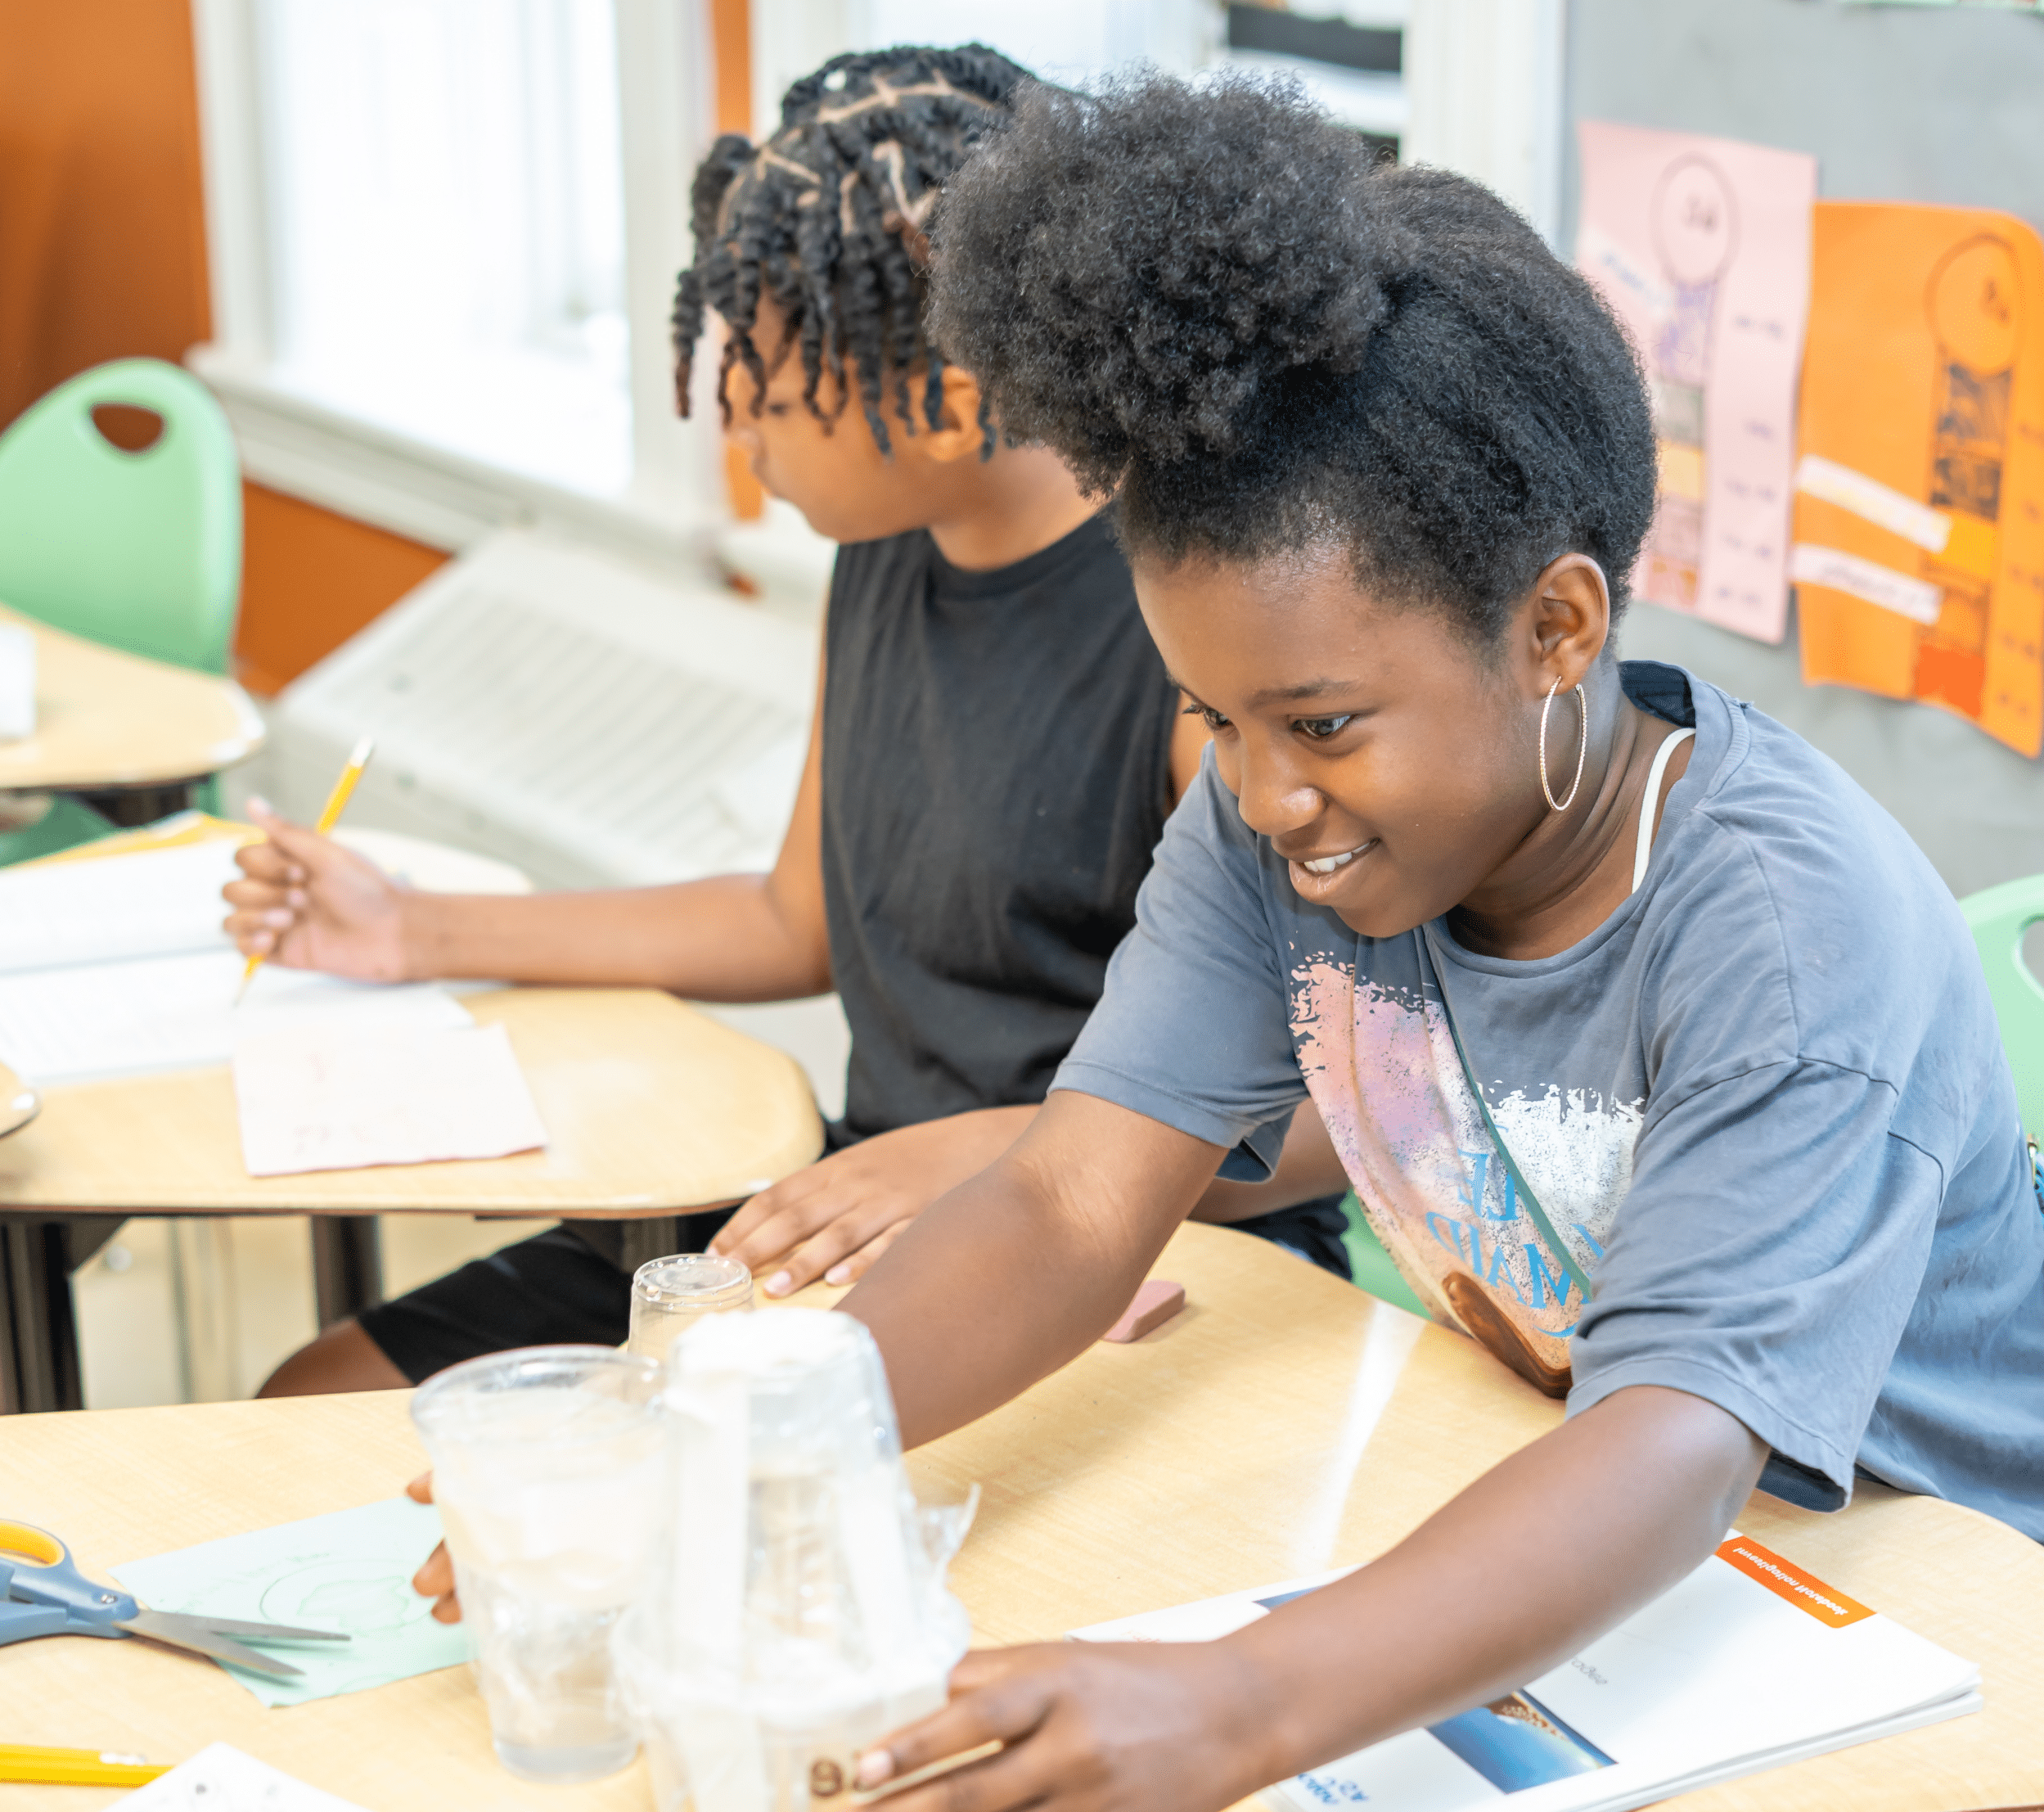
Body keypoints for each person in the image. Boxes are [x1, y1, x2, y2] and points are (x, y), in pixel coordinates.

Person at [781, 74, 2044, 1812]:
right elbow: (1071, 1200)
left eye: (1316, 722)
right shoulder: (1287, 821)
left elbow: (1673, 1441)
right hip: (1609, 1550)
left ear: (1550, 628)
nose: (1262, 794)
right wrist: (747, 1456)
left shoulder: (1786, 928)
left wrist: (1230, 1710)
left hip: (1938, 1610)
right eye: (1214, 720)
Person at [225, 46, 1352, 1399]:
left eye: (762, 395)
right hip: (869, 1194)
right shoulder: (889, 543)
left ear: (938, 404)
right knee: (322, 1392)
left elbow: (1337, 1111)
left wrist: (999, 1152)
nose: (740, 439)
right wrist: (414, 927)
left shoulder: (1192, 628)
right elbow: (793, 917)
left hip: (1148, 1252)